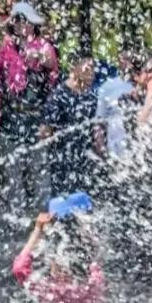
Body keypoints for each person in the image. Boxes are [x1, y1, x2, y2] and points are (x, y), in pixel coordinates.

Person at [0, 0, 59, 226]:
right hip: (12, 116)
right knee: (13, 169)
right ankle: (17, 219)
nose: (19, 25)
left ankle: (43, 216)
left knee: (39, 169)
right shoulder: (7, 47)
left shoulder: (43, 46)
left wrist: (36, 57)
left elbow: (52, 63)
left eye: (23, 21)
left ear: (32, 24)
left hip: (36, 117)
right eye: (16, 21)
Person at [42, 55, 101, 198]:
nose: (92, 74)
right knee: (64, 207)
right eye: (88, 69)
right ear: (75, 68)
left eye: (93, 70)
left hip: (85, 161)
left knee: (84, 206)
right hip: (62, 162)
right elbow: (46, 130)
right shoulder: (59, 96)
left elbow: (96, 127)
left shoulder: (90, 96)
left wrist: (100, 148)